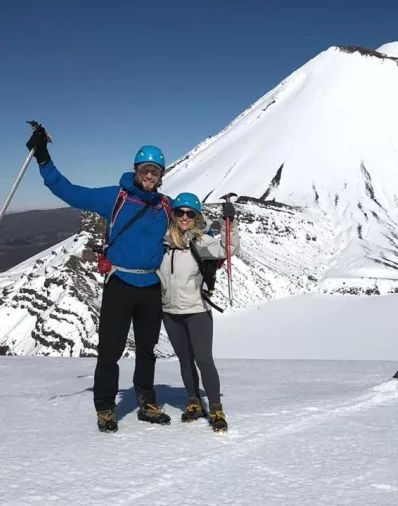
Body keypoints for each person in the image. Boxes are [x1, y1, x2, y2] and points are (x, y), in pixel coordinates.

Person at [26, 125, 173, 433]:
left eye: (155, 170)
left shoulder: (165, 206)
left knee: (147, 351)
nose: (150, 174)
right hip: (120, 285)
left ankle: (146, 403)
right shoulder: (114, 199)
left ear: (161, 175)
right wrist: (43, 158)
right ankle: (106, 408)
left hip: (150, 286)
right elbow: (70, 192)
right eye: (145, 169)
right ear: (135, 171)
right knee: (110, 350)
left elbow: (190, 230)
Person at [158, 192, 239, 433]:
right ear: (173, 215)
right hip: (170, 310)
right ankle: (193, 401)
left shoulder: (203, 241)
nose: (185, 217)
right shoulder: (161, 241)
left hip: (197, 309)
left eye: (190, 213)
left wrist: (231, 224)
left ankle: (215, 407)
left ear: (197, 217)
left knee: (203, 359)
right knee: (184, 360)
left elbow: (229, 249)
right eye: (180, 212)